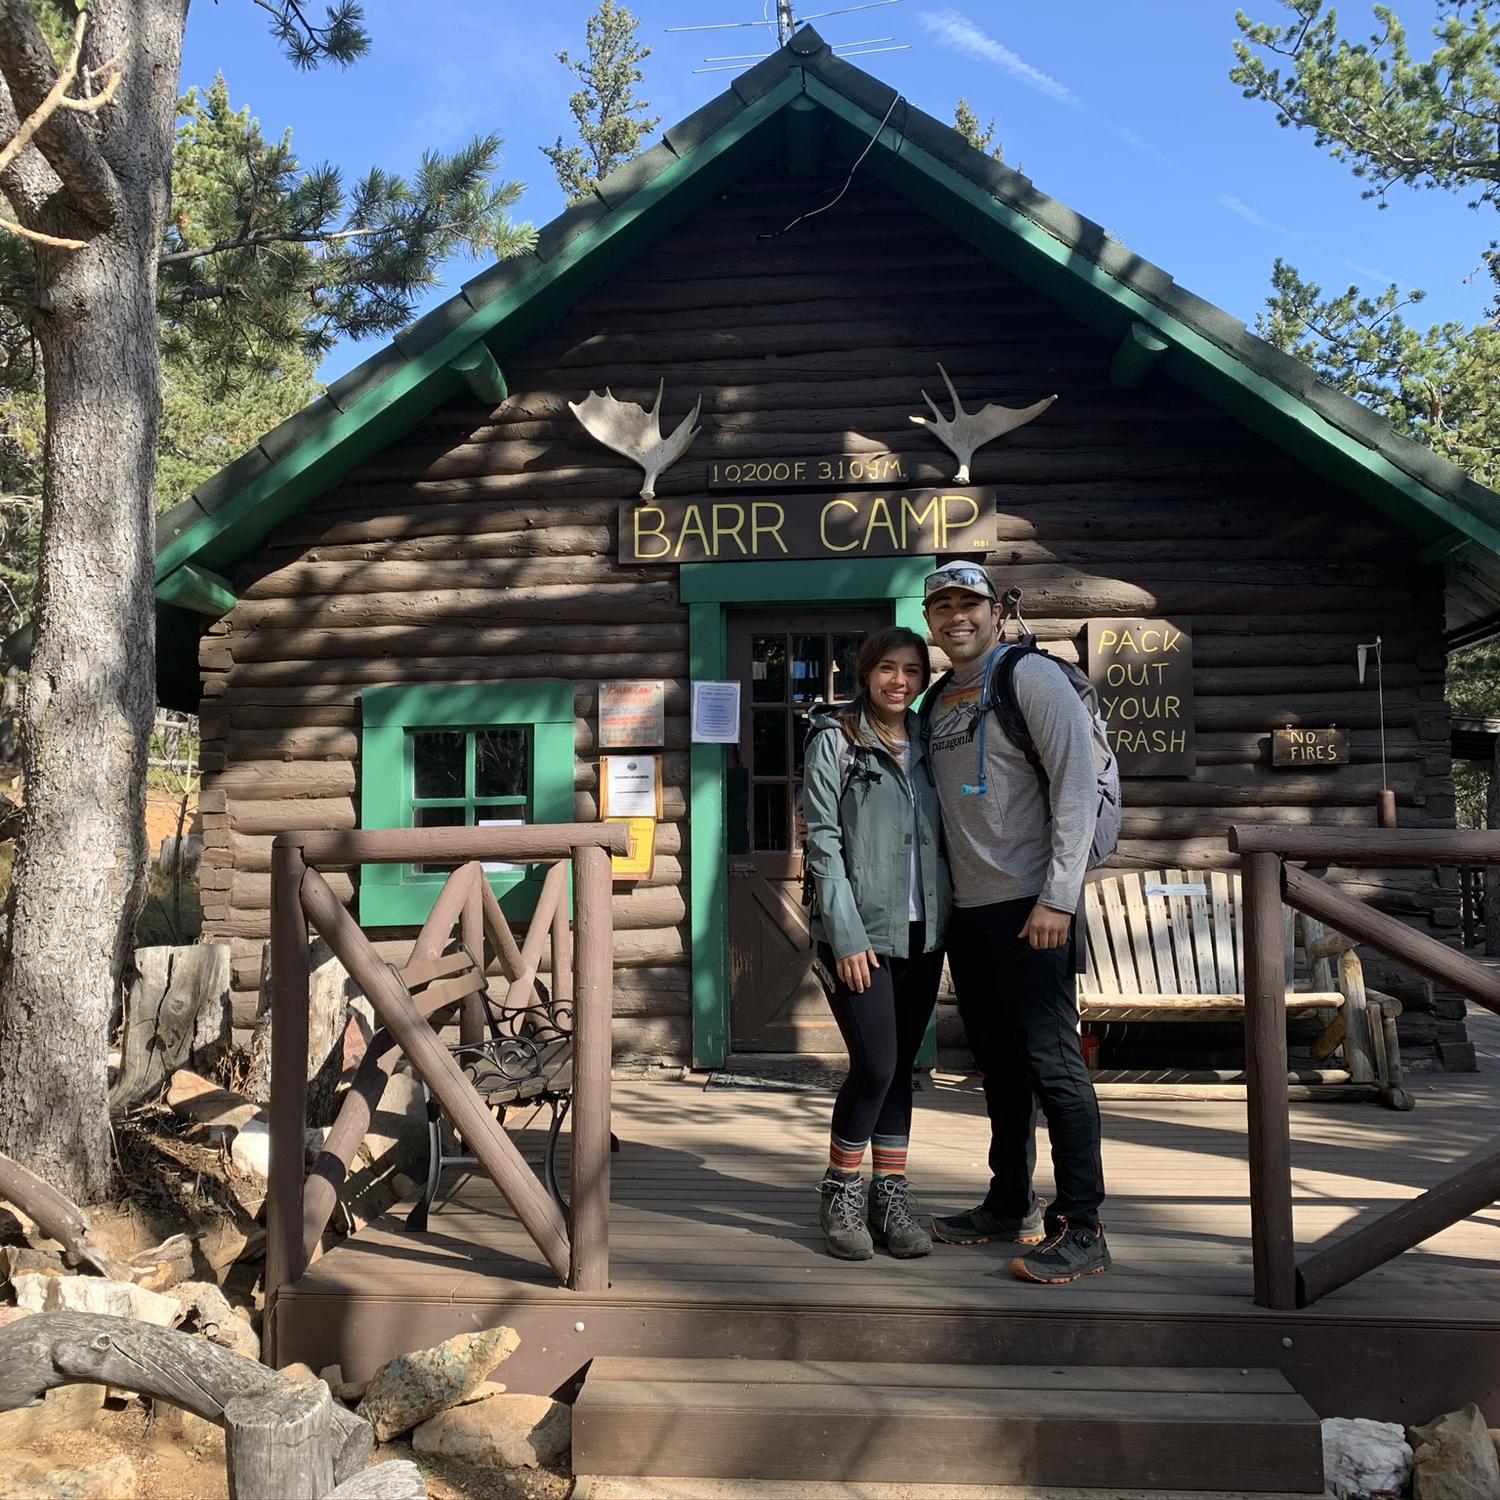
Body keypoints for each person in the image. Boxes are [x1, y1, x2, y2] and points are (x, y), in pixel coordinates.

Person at [919, 560, 1110, 1283]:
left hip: (1035, 908)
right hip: (971, 915)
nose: (955, 617)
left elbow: (1075, 788)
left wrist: (1059, 897)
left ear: (995, 610)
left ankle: (1084, 1224)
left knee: (1054, 1065)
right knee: (997, 1065)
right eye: (941, 607)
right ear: (930, 620)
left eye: (968, 603)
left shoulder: (1029, 678)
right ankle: (1009, 1203)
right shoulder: (938, 701)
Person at [802, 625, 952, 1262]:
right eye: (888, 669)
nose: (900, 681)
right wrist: (845, 935)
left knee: (903, 1072)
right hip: (857, 933)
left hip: (925, 931)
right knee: (878, 1063)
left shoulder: (933, 740)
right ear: (865, 674)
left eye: (913, 671)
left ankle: (890, 1190)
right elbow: (823, 843)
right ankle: (841, 1187)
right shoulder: (835, 740)